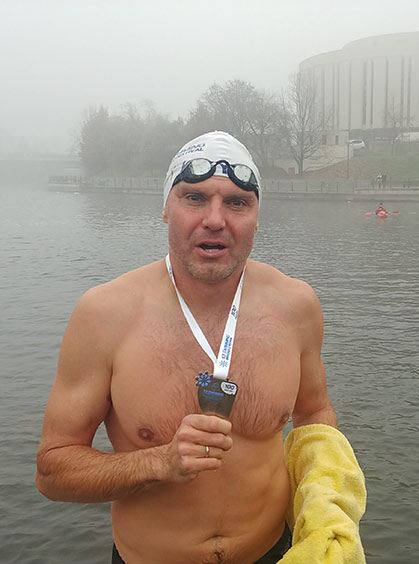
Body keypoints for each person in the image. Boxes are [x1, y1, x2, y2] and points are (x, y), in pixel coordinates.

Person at [36, 131, 365, 564]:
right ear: (166, 209)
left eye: (237, 202)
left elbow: (314, 414)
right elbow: (52, 470)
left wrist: (324, 503)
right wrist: (158, 463)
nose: (215, 219)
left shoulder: (295, 305)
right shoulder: (105, 314)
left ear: (256, 216)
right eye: (194, 198)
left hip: (275, 551)